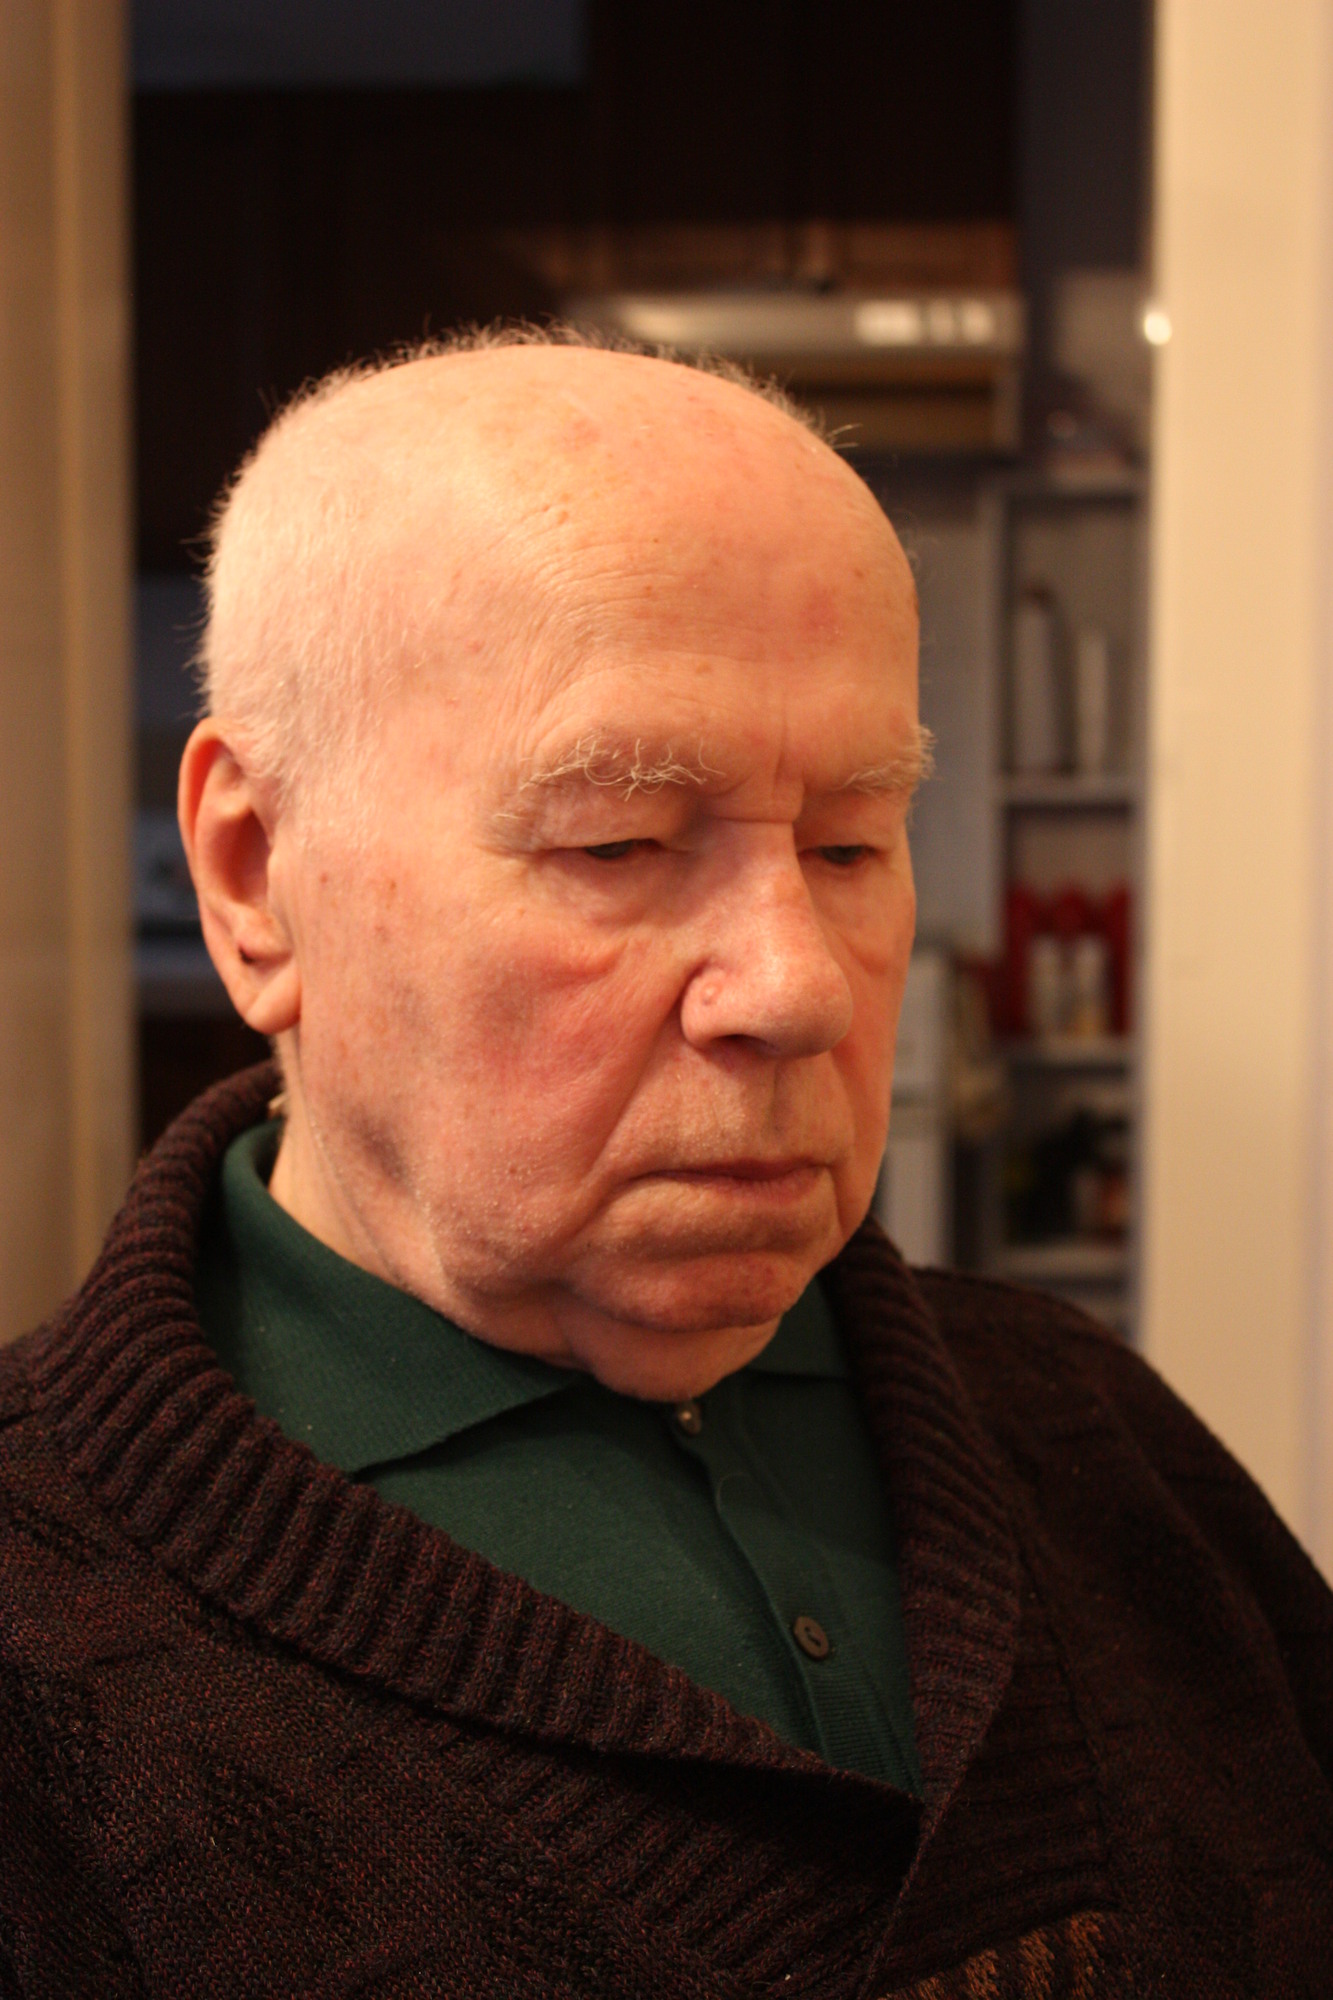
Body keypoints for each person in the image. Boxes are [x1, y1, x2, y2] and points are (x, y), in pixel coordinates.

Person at [1, 330, 1330, 1998]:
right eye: (618, 843)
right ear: (257, 875)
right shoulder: (42, 1639)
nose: (798, 987)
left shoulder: (1098, 1433)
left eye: (849, 842)